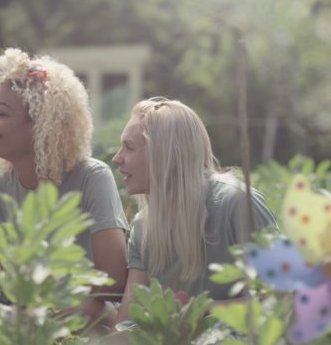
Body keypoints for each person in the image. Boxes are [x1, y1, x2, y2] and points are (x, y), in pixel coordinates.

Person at [0, 48, 129, 328]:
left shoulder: (91, 177)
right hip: (29, 319)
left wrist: (52, 293)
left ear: (41, 124)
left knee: (75, 306)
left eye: (0, 113)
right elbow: (7, 286)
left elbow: (114, 280)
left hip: (95, 326)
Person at [112, 97, 276, 323]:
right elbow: (127, 323)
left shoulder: (237, 204)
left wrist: (202, 309)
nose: (116, 158)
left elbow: (282, 299)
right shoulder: (143, 228)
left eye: (129, 147)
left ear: (165, 155)